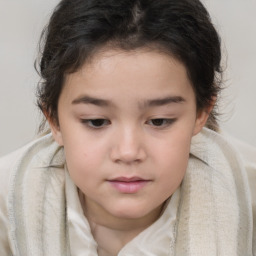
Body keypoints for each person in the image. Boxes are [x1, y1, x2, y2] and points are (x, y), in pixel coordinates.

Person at [0, 0, 255, 255]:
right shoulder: (7, 206)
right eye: (97, 122)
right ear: (54, 119)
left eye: (159, 121)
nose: (128, 152)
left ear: (201, 113)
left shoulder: (248, 196)